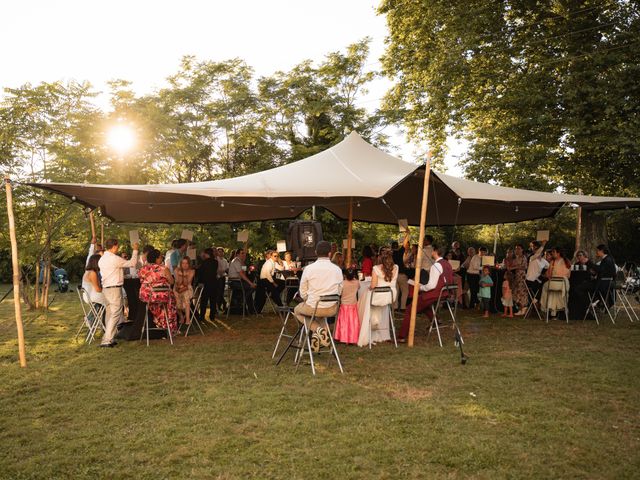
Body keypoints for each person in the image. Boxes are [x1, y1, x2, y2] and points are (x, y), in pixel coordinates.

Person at [294, 241, 344, 352]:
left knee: (297, 310)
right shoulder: (337, 269)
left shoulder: (309, 269)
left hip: (314, 307)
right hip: (332, 309)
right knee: (319, 314)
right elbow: (340, 290)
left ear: (316, 252)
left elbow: (302, 291)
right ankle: (320, 334)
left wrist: (308, 300)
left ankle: (318, 329)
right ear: (330, 254)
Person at [398, 245, 453, 341]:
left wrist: (419, 287)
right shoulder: (447, 263)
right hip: (444, 293)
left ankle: (401, 336)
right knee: (423, 305)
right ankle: (435, 321)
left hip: (436, 293)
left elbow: (431, 286)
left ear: (435, 252)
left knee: (410, 309)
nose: (431, 252)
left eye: (432, 251)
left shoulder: (436, 265)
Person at [98, 238, 139, 347]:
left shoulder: (102, 259)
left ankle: (109, 336)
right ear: (115, 246)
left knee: (110, 313)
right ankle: (107, 340)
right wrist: (135, 250)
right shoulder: (114, 259)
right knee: (116, 313)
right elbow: (132, 263)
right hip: (114, 288)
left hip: (106, 288)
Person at [358, 248, 399, 347]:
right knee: (367, 298)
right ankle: (375, 323)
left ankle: (368, 324)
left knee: (362, 299)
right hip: (390, 296)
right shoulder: (396, 267)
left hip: (378, 296)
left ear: (380, 258)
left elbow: (373, 285)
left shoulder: (376, 268)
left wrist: (369, 287)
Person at [138, 249, 178, 334]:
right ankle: (169, 327)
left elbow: (141, 281)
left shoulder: (143, 269)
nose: (162, 259)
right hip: (162, 296)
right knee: (171, 300)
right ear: (156, 259)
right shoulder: (163, 268)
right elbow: (172, 281)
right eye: (160, 257)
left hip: (146, 296)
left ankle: (159, 322)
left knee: (159, 303)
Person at [540, 247, 572, 317]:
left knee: (545, 287)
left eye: (553, 252)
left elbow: (548, 275)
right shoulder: (567, 261)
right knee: (553, 290)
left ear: (558, 253)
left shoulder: (553, 262)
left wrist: (543, 275)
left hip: (554, 283)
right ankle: (556, 312)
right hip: (564, 284)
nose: (552, 253)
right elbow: (569, 275)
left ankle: (547, 308)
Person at [334, 268, 360, 345]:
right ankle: (353, 337)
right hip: (353, 304)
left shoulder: (342, 283)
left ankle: (343, 337)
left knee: (344, 322)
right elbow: (359, 288)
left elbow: (338, 292)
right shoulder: (357, 282)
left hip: (344, 305)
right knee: (352, 322)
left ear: (344, 275)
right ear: (354, 275)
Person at [82, 254, 106, 327]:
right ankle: (105, 323)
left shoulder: (87, 271)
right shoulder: (93, 273)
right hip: (92, 296)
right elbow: (98, 289)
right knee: (112, 302)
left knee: (106, 302)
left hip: (88, 295)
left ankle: (91, 318)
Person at [197, 248, 219, 323]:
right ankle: (212, 315)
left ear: (207, 254)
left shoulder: (204, 262)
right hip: (214, 283)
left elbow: (201, 273)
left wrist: (199, 281)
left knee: (204, 300)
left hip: (206, 283)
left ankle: (202, 316)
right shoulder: (215, 262)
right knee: (213, 300)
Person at [507, 244, 528, 316]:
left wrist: (514, 267)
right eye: (516, 249)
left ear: (522, 250)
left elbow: (524, 266)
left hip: (521, 276)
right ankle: (520, 308)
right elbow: (511, 266)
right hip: (515, 276)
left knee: (521, 292)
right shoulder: (515, 258)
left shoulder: (523, 257)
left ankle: (523, 308)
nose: (517, 250)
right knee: (516, 292)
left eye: (519, 249)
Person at [174, 256, 195, 325]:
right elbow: (177, 282)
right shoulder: (176, 270)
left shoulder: (192, 271)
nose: (184, 265)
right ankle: (181, 316)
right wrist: (180, 277)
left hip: (188, 288)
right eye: (183, 263)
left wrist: (183, 275)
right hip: (178, 287)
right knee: (173, 299)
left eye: (186, 263)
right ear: (180, 264)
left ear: (189, 264)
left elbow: (187, 283)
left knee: (186, 296)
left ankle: (188, 319)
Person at [393, 232, 410, 311]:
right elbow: (405, 243)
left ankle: (395, 307)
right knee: (405, 291)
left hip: (394, 275)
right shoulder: (399, 253)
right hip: (401, 274)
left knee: (396, 291)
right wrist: (407, 234)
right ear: (397, 247)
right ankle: (403, 307)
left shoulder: (389, 254)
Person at [215, 247, 229, 313]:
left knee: (221, 292)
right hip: (217, 277)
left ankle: (221, 304)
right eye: (219, 251)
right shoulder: (216, 259)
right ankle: (220, 305)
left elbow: (227, 269)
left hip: (222, 277)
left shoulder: (225, 260)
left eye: (222, 251)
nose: (220, 253)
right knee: (218, 292)